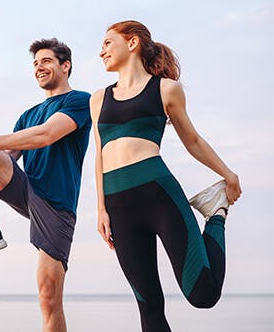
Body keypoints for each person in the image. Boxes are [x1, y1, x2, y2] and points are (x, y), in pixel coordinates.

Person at [90, 20, 241, 332]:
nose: (101, 50)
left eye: (107, 42)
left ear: (131, 43)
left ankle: (215, 214)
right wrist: (101, 209)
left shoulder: (165, 90)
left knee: (203, 294)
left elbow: (193, 141)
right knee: (149, 309)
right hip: (118, 207)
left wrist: (228, 174)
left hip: (158, 195)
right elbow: (99, 155)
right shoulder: (98, 99)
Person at [0, 38, 91, 332]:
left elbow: (45, 135)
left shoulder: (79, 101)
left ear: (65, 66)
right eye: (36, 64)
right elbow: (8, 158)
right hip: (26, 189)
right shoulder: (27, 115)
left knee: (48, 296)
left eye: (47, 61)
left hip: (57, 203)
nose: (39, 68)